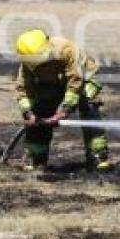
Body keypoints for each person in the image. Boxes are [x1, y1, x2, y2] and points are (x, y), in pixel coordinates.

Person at [14, 29, 111, 171]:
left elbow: (75, 81)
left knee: (88, 104)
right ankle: (36, 158)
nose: (42, 66)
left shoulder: (67, 50)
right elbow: (23, 90)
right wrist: (29, 113)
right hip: (54, 82)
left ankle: (97, 156)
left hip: (84, 78)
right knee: (40, 109)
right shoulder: (28, 63)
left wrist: (64, 111)